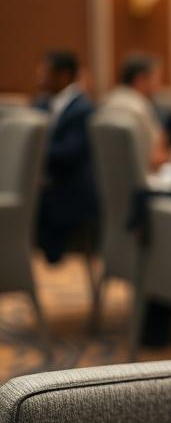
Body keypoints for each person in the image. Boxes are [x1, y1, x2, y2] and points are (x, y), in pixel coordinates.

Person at [32, 51, 98, 264]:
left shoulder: (83, 109)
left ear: (63, 75)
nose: (39, 78)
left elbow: (70, 154)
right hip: (45, 184)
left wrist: (30, 155)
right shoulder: (41, 104)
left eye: (45, 73)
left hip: (70, 191)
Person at [103, 53, 169, 170]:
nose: (159, 84)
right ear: (141, 79)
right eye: (156, 77)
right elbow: (156, 158)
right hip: (140, 181)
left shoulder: (107, 101)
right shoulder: (139, 107)